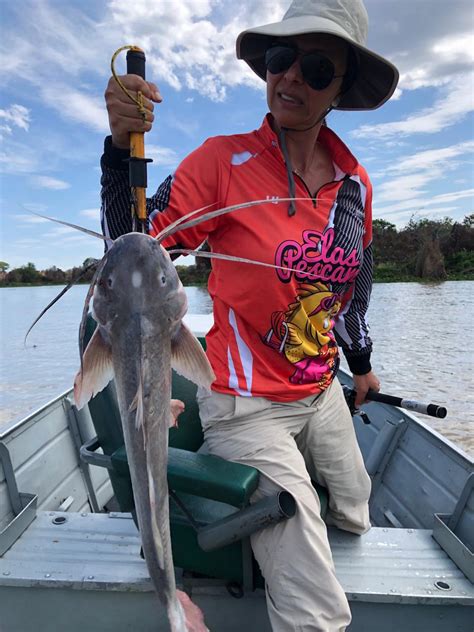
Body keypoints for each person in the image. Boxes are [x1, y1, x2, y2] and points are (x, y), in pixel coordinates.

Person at [100, 0, 399, 629]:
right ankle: (280, 541)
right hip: (243, 403)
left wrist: (362, 368)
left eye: (317, 68)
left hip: (321, 392)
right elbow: (132, 253)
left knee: (355, 513)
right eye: (281, 59)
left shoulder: (355, 185)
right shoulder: (221, 162)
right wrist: (116, 146)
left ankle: (287, 526)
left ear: (339, 88)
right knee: (316, 607)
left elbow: (350, 290)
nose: (291, 77)